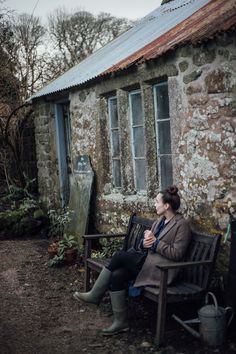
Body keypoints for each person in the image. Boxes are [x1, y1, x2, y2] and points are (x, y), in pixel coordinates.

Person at [73, 185, 191, 336]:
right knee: (117, 275)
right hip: (147, 262)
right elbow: (145, 245)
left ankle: (95, 294)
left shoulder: (181, 225)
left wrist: (155, 243)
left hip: (161, 270)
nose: (154, 204)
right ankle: (120, 323)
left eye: (157, 201)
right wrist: (144, 242)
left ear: (167, 205)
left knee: (119, 256)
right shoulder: (159, 221)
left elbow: (178, 253)